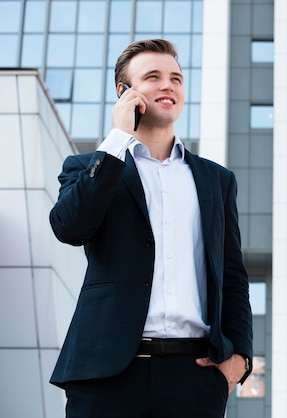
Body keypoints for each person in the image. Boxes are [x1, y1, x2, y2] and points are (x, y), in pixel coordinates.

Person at [49, 39, 253, 418]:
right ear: (124, 92)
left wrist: (239, 357)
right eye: (153, 77)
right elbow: (70, 227)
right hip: (106, 374)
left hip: (193, 375)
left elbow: (232, 274)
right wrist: (115, 141)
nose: (168, 85)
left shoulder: (216, 180)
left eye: (176, 77)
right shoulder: (89, 166)